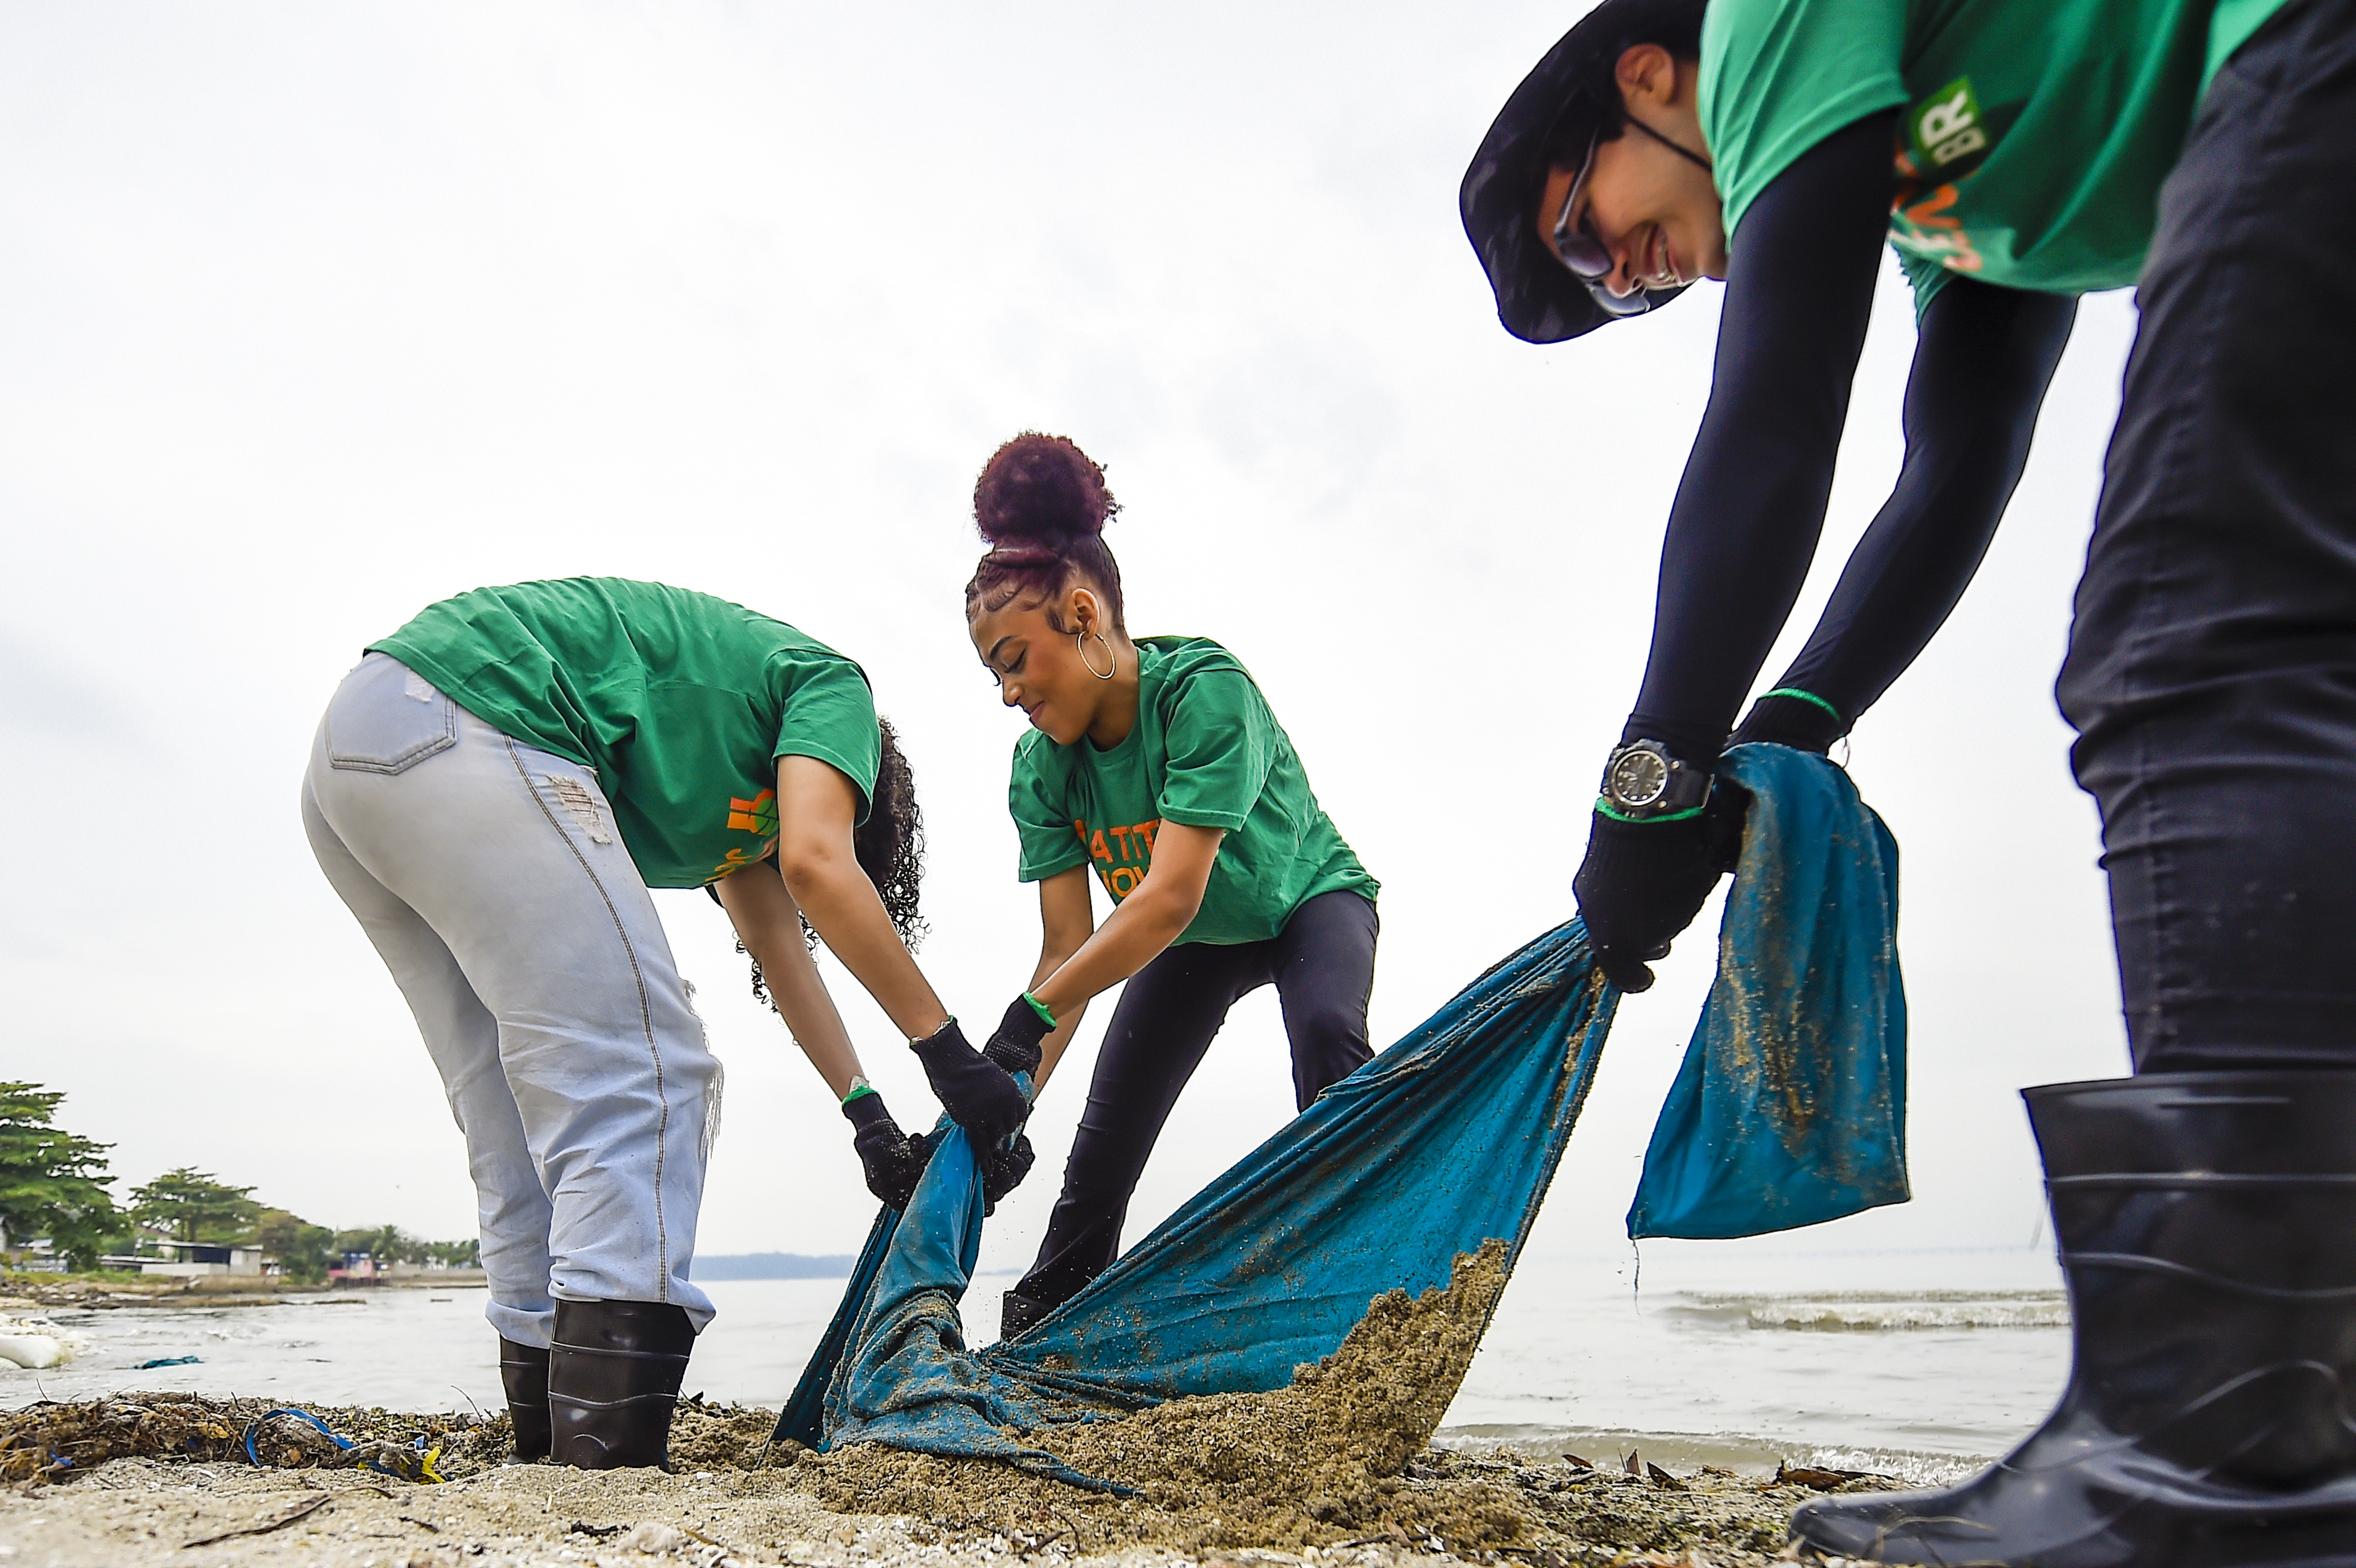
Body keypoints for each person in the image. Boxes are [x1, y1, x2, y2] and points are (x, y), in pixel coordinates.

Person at [1463, 0, 2356, 1557]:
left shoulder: (1767, 24)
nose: (1633, 282)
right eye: (1612, 301)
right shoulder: (1945, 197)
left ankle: (2227, 1441)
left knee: (2187, 642)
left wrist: (1652, 771)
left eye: (1592, 245)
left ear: (1647, 78)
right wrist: (1795, 721)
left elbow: (1780, 408)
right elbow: (1960, 460)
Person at [301, 578, 1030, 1470]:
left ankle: (551, 1442)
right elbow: (817, 863)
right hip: (472, 718)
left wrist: (867, 1117)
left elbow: (781, 952)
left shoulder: (741, 815)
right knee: (645, 1073)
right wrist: (951, 1058)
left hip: (362, 748)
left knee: (505, 1101)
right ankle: (608, 1461)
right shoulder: (833, 688)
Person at [960, 433, 1382, 1337]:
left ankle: (1366, 1270)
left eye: (1013, 661)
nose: (1006, 694)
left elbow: (1167, 897)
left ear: (1080, 615)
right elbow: (1067, 952)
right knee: (1106, 1139)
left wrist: (1023, 1022)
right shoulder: (1041, 771)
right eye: (992, 672)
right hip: (1189, 947)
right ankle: (1050, 1325)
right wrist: (1011, 1089)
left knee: (1326, 1035)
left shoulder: (1203, 692)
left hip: (1306, 899)